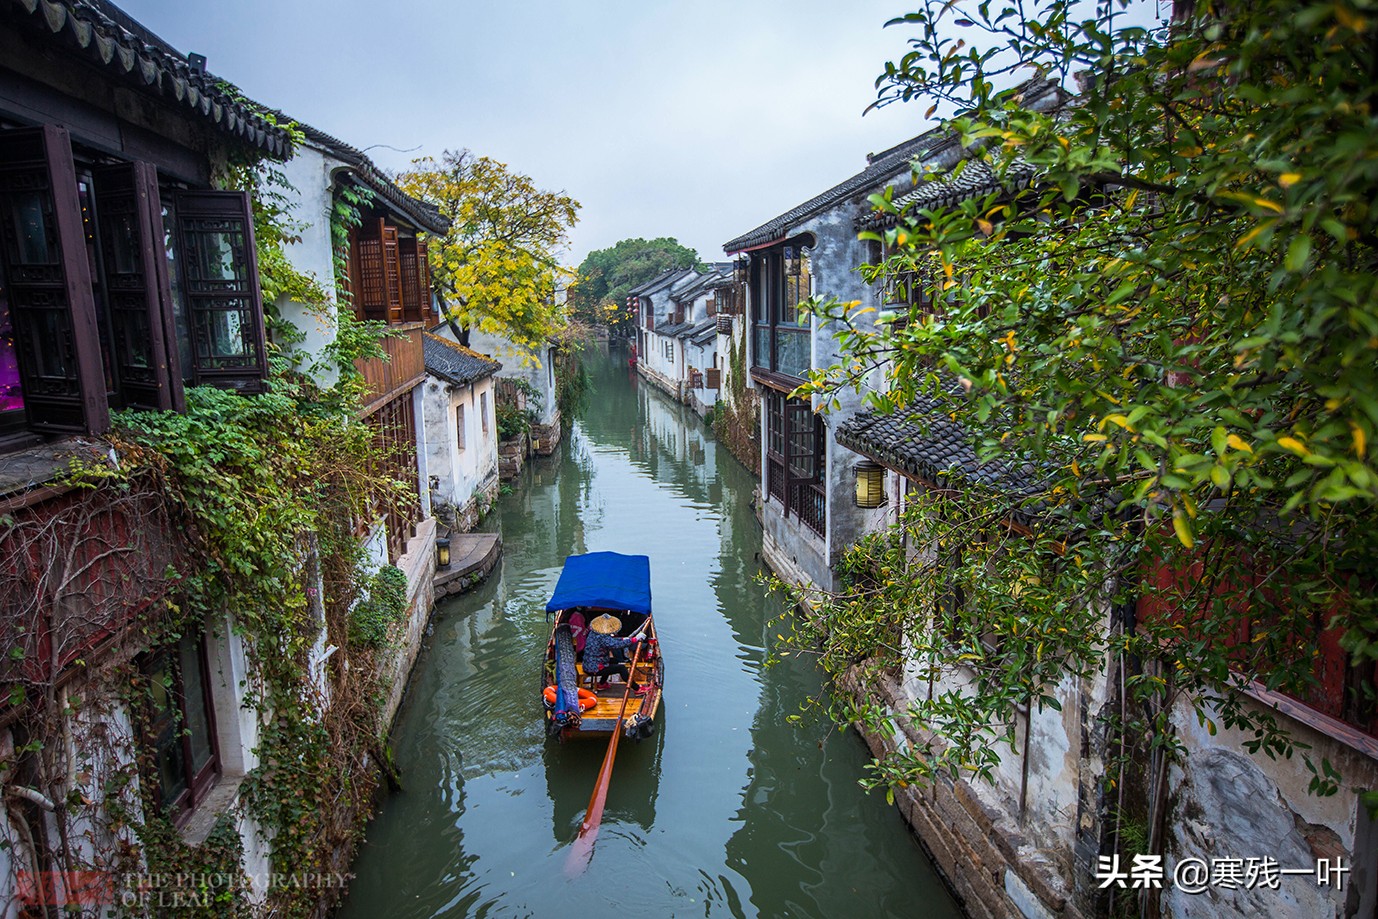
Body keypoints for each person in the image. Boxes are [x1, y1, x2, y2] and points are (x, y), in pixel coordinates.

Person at [583, 613, 641, 686]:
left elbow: (612, 640)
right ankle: (636, 688)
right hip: (594, 667)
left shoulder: (594, 633)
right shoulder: (602, 636)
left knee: (615, 661)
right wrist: (634, 640)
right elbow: (615, 644)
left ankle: (602, 683)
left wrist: (625, 639)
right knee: (621, 668)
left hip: (589, 664)